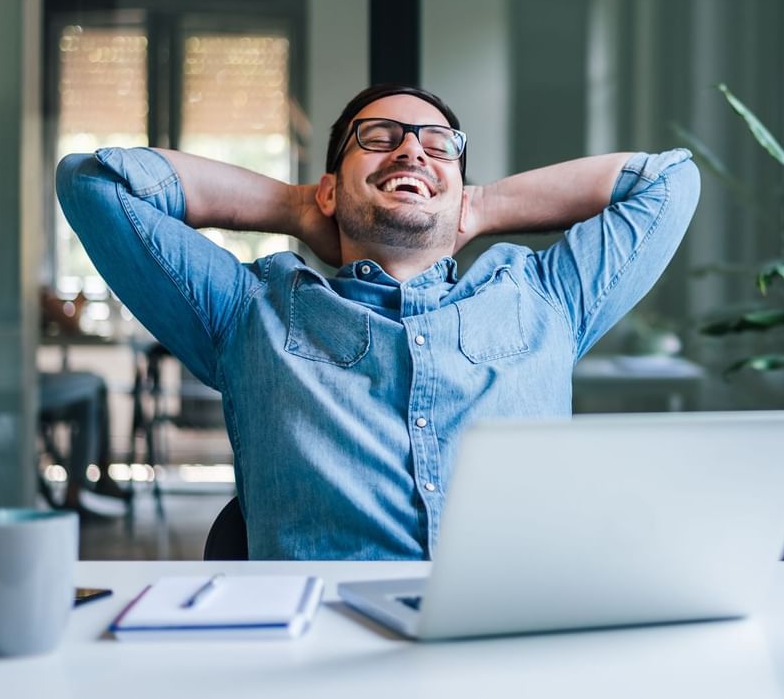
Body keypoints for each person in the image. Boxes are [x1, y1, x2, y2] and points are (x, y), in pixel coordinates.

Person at [55, 84, 700, 559]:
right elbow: (96, 183)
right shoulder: (251, 311)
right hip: (321, 658)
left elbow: (669, 182)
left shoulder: (547, 298)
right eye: (380, 138)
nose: (412, 150)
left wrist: (478, 206)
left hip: (518, 649)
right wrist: (296, 205)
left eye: (438, 145)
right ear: (331, 189)